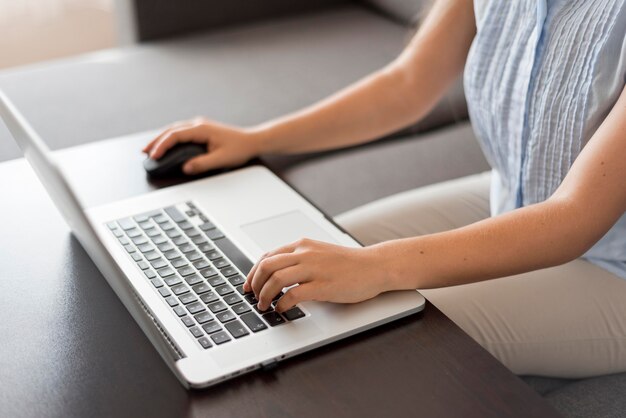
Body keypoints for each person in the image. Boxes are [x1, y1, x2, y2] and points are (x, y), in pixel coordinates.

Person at [143, 0, 626, 378]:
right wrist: (256, 139)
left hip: (610, 269)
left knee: (358, 338)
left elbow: (575, 217)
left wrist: (376, 267)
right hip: (513, 196)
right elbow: (408, 83)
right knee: (292, 274)